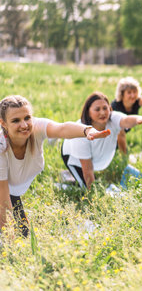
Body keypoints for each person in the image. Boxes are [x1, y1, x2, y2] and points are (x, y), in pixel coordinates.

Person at [0, 95, 110, 237]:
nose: (24, 125)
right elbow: (3, 200)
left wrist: (88, 131)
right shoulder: (2, 148)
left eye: (27, 118)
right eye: (15, 120)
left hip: (10, 192)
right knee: (11, 240)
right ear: (3, 123)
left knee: (24, 234)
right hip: (3, 192)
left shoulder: (36, 128)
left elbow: (62, 128)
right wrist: (11, 242)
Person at [61, 91, 142, 189]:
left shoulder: (113, 118)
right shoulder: (81, 133)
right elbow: (88, 169)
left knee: (94, 181)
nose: (103, 112)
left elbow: (126, 120)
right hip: (73, 157)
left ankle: (69, 176)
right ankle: (63, 185)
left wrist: (138, 120)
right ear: (88, 112)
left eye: (105, 108)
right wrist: (94, 195)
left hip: (94, 157)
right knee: (84, 188)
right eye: (97, 109)